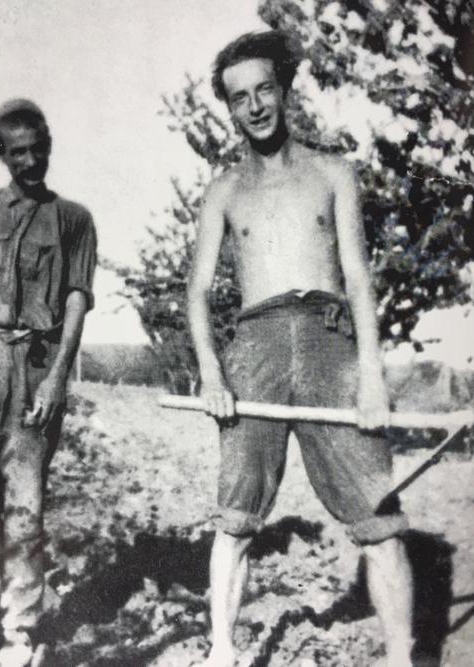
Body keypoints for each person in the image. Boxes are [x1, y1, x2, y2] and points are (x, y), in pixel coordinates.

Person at [187, 31, 414, 667]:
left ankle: (401, 660)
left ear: (285, 91)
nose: (255, 106)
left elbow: (360, 277)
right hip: (254, 348)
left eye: (265, 89)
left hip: (329, 340)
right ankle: (224, 652)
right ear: (228, 110)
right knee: (235, 514)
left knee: (377, 513)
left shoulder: (333, 173)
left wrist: (371, 374)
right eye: (239, 98)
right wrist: (211, 371)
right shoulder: (224, 191)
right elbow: (198, 291)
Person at [0, 99, 96, 667]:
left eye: (38, 147)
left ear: (50, 142)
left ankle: (19, 631)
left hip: (33, 365)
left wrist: (56, 380)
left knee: (24, 505)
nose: (31, 160)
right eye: (17, 152)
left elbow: (75, 303)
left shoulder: (73, 218)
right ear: (0, 155)